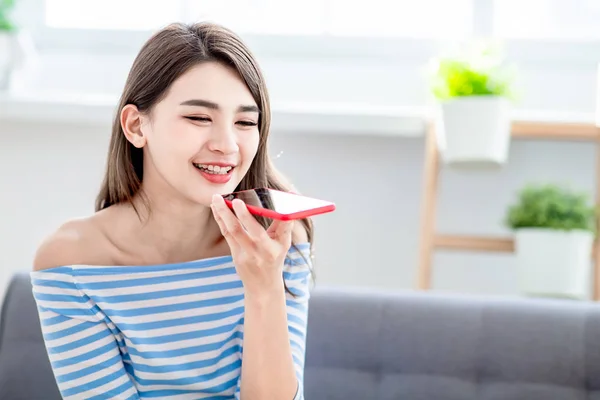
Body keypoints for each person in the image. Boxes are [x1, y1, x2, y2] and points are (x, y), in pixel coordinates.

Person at [30, 21, 314, 400]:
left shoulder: (276, 240)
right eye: (199, 117)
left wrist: (263, 288)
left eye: (245, 122)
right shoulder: (71, 264)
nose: (227, 145)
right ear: (136, 125)